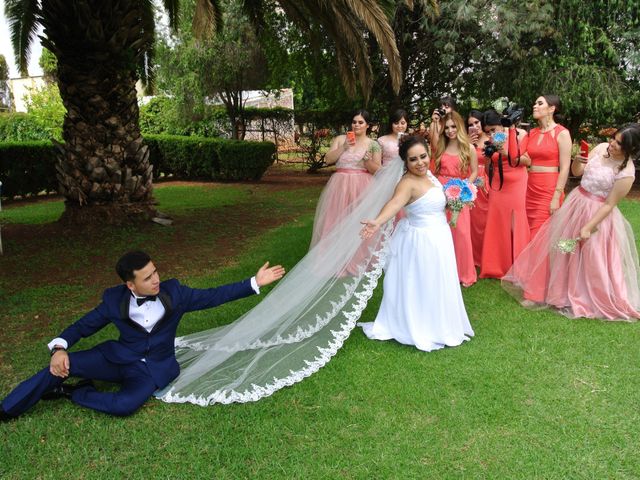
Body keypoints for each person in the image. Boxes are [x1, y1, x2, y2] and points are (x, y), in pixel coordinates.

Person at [0, 251, 285, 420]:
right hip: (115, 358)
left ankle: (75, 391)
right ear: (129, 284)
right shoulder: (114, 300)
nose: (156, 280)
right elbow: (82, 327)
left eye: (155, 272)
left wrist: (253, 283)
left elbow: (214, 296)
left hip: (153, 370)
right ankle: (7, 409)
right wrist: (59, 348)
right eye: (147, 278)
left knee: (124, 405)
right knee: (60, 366)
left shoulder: (176, 294)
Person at [502, 124, 640, 320]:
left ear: (630, 149)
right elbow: (578, 173)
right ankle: (560, 295)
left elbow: (610, 204)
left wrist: (589, 226)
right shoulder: (600, 148)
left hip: (597, 213)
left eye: (619, 143)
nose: (612, 144)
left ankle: (588, 297)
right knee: (565, 251)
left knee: (593, 258)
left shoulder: (627, 172)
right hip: (576, 203)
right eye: (613, 139)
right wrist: (578, 161)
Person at [359, 135, 474, 351]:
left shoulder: (430, 176)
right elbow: (394, 204)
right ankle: (422, 324)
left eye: (423, 156)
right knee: (423, 281)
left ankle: (442, 322)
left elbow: (434, 202)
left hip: (440, 236)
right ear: (405, 162)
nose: (420, 163)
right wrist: (376, 222)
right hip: (421, 240)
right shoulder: (407, 183)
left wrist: (454, 203)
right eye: (413, 159)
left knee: (440, 279)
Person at [310, 109, 382, 247]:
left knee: (358, 220)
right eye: (354, 122)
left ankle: (357, 255)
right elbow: (328, 160)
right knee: (336, 220)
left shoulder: (373, 144)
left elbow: (377, 170)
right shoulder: (340, 139)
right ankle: (332, 252)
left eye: (361, 122)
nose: (356, 125)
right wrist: (343, 147)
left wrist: (367, 162)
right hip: (339, 186)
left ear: (368, 125)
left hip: (362, 186)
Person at [479, 110, 530, 279]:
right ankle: (496, 265)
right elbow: (488, 168)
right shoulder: (490, 141)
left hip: (516, 183)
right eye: (488, 131)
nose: (492, 133)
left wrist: (505, 152)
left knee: (516, 221)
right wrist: (489, 153)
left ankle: (518, 265)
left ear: (502, 125)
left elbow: (527, 160)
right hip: (497, 185)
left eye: (494, 129)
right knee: (497, 221)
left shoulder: (517, 135)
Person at [432, 111, 478, 287]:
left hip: (459, 193)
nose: (450, 131)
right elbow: (435, 171)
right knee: (441, 233)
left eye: (453, 127)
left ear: (459, 127)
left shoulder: (469, 148)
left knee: (461, 234)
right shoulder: (441, 147)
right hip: (441, 192)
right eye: (447, 127)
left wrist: (465, 188)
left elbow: (474, 171)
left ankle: (464, 273)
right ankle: (442, 272)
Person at [519, 95, 572, 238]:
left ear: (551, 109)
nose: (534, 106)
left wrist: (556, 196)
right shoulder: (532, 133)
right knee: (528, 232)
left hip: (549, 189)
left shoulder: (562, 133)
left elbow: (565, 168)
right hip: (530, 188)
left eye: (540, 103)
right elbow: (517, 157)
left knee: (540, 234)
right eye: (535, 103)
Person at [467, 109, 491, 266]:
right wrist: (468, 143)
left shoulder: (492, 138)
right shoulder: (466, 142)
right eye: (471, 124)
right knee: (471, 220)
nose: (475, 126)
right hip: (470, 178)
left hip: (487, 180)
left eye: (477, 122)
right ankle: (471, 256)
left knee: (485, 220)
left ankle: (485, 256)